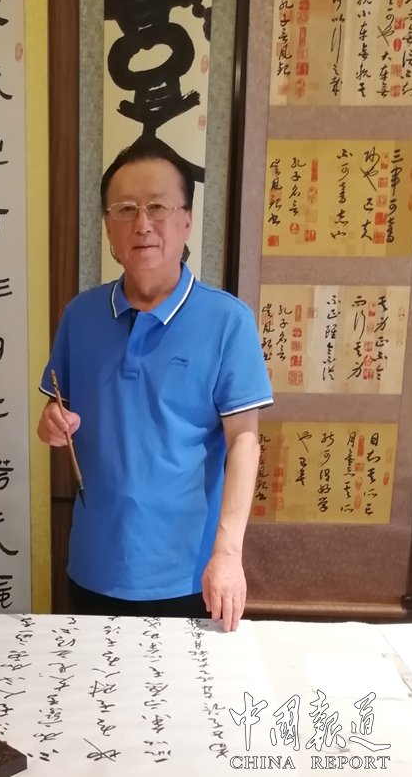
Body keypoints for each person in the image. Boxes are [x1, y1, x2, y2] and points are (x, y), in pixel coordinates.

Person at [37, 137, 272, 631]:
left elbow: (244, 442)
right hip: (93, 565)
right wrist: (52, 422)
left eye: (158, 207)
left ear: (186, 220)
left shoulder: (227, 321)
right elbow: (58, 411)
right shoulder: (80, 316)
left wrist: (228, 554)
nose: (142, 224)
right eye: (125, 209)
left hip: (190, 574)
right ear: (107, 227)